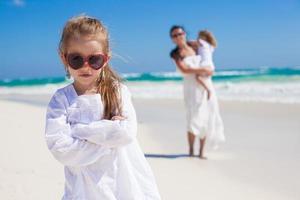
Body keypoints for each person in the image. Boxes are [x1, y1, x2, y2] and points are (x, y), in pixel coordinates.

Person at [45, 15, 161, 199]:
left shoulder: (118, 92)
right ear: (64, 58)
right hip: (81, 190)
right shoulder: (61, 100)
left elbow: (126, 134)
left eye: (94, 60)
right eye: (76, 59)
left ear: (105, 59)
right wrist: (108, 140)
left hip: (121, 186)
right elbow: (61, 149)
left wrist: (78, 131)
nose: (85, 66)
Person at [169, 25, 225, 159]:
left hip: (206, 85)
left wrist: (208, 70)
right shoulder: (175, 54)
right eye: (174, 35)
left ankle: (201, 152)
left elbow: (209, 49)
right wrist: (203, 70)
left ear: (184, 34)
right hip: (191, 88)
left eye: (180, 33)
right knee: (192, 117)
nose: (178, 37)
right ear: (172, 39)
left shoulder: (195, 46)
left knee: (206, 116)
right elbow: (184, 70)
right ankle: (191, 151)